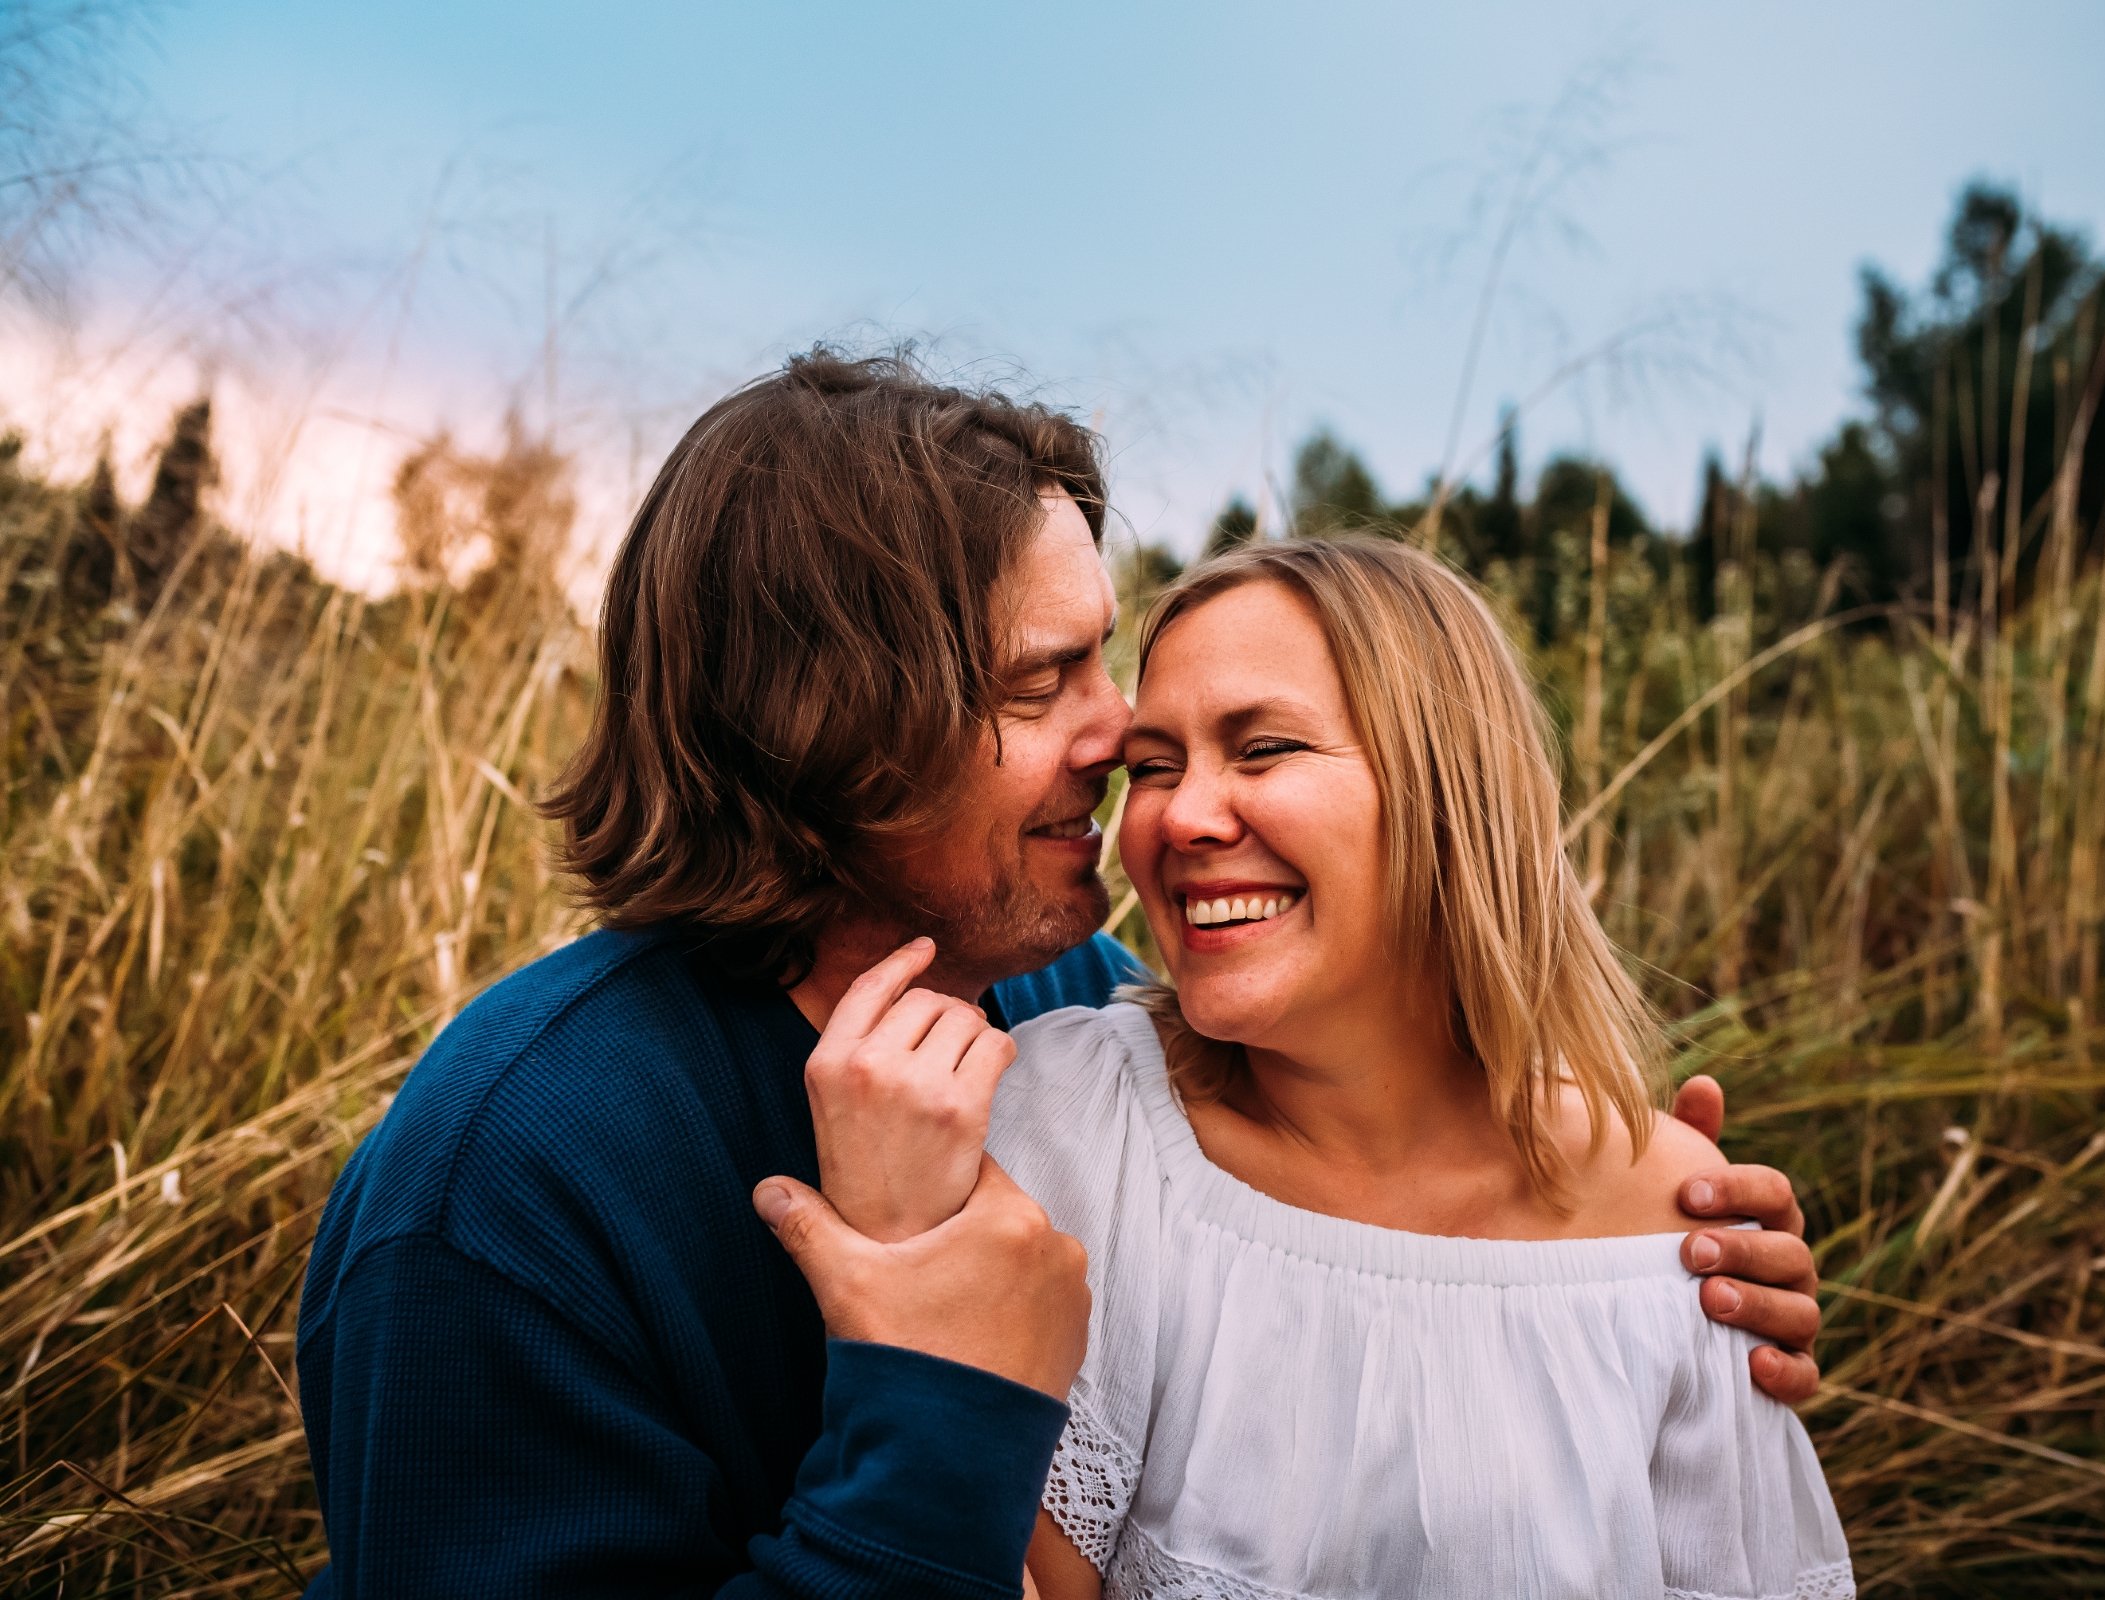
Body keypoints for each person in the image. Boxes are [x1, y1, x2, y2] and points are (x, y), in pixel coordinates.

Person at [297, 350, 1823, 1600]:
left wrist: (1624, 1241)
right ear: (833, 723)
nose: (1122, 741)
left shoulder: (1072, 1001)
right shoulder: (506, 1186)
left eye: (1110, 665)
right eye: (1047, 685)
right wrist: (938, 1395)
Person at [969, 539, 1851, 1598]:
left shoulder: (1676, 1230)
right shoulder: (1072, 1127)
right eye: (1155, 765)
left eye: (1263, 749)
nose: (1183, 816)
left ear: (1450, 790)